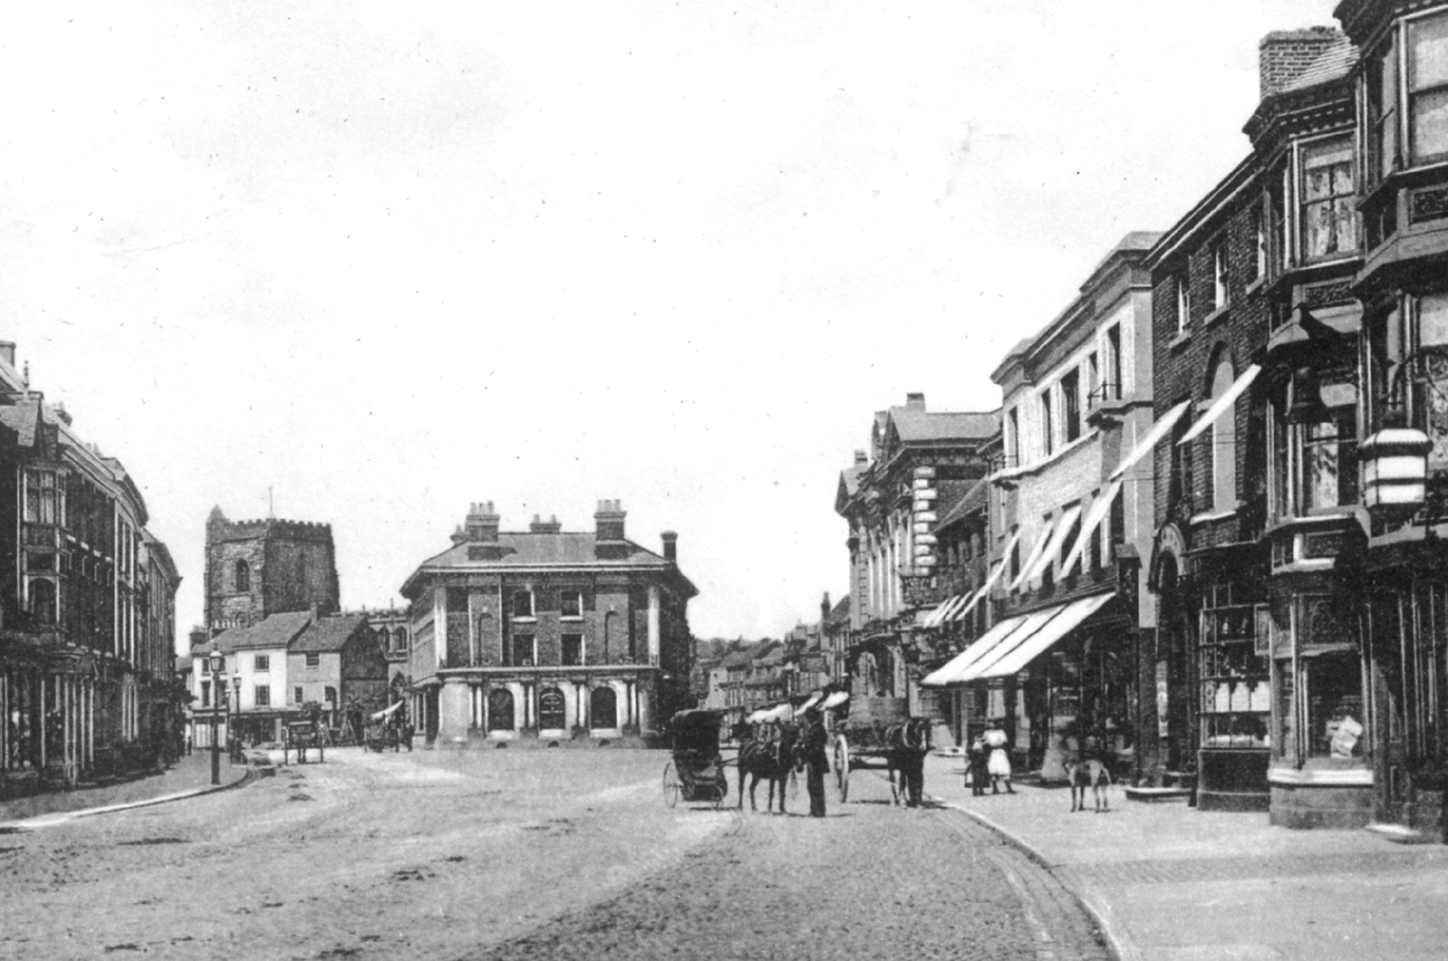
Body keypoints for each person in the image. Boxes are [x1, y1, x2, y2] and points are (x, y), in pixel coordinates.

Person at [799, 706, 830, 817]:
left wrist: (807, 753)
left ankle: (818, 811)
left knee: (815, 786)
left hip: (815, 761)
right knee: (812, 786)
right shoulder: (815, 728)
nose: (807, 720)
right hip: (813, 761)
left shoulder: (818, 728)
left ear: (811, 717)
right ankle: (815, 810)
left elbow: (817, 747)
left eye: (808, 717)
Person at [983, 719, 1013, 794]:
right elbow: (984, 742)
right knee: (993, 770)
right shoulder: (987, 733)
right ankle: (995, 788)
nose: (991, 725)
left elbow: (1004, 742)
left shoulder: (1001, 732)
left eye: (992, 723)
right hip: (992, 753)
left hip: (1000, 752)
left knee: (1004, 769)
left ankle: (1009, 788)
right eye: (989, 723)